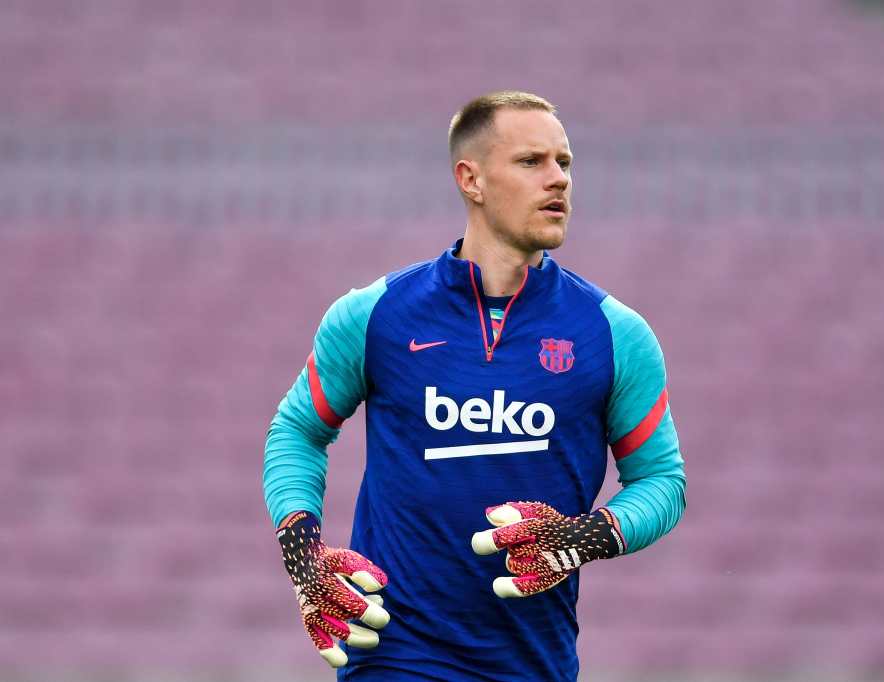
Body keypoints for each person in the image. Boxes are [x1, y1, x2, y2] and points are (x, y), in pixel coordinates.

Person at [263, 90, 686, 682]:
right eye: (531, 161)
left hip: (534, 661)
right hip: (395, 657)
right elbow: (298, 431)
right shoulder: (375, 314)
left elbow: (662, 481)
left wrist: (582, 536)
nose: (558, 179)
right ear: (472, 180)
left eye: (564, 162)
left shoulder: (615, 334)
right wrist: (304, 555)